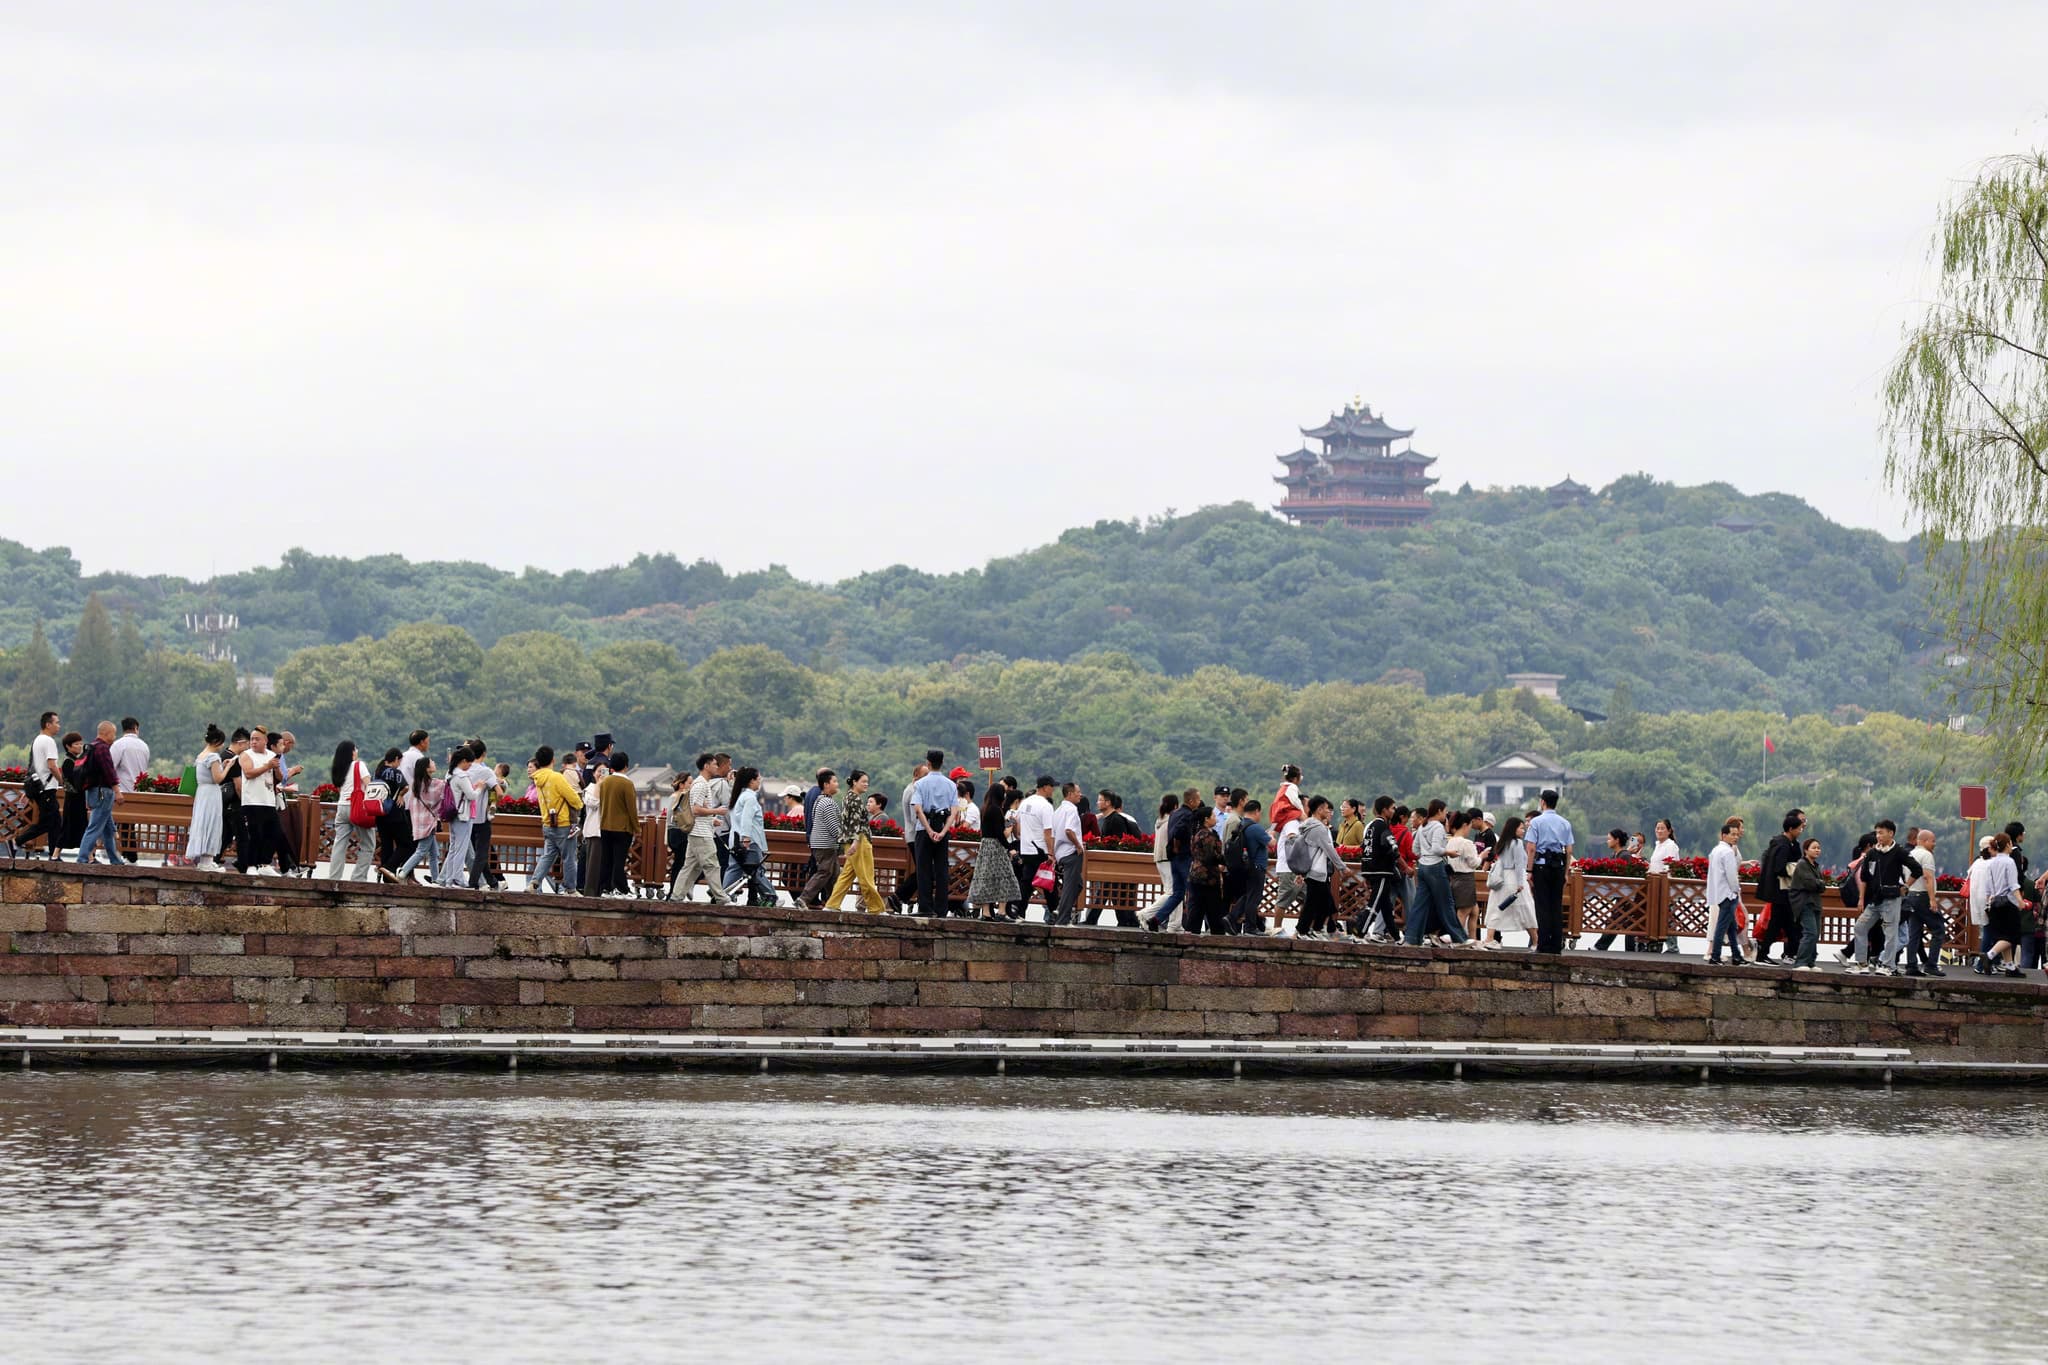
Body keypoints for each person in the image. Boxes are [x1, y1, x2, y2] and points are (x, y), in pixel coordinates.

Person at [1846, 820, 1913, 976]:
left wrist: (1906, 886)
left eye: (1881, 832)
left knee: (1890, 932)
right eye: (1877, 833)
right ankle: (1862, 963)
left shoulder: (1899, 852)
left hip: (1892, 897)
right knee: (1860, 927)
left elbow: (1916, 869)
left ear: (1891, 833)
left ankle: (1888, 965)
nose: (1878, 836)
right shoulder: (1872, 853)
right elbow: (1864, 877)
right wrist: (1861, 898)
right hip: (1875, 899)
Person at [1291, 796, 1363, 940]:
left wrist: (1301, 873)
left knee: (1327, 904)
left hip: (1315, 872)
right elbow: (1329, 850)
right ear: (1318, 810)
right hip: (1316, 871)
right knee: (1313, 903)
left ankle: (1316, 930)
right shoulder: (1319, 828)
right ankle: (1301, 931)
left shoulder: (1308, 825)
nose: (1328, 810)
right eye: (1325, 808)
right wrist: (1342, 867)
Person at [670, 752, 731, 905]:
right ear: (706, 766)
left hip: (700, 831)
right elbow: (695, 810)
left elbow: (698, 810)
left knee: (691, 867)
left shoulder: (702, 784)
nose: (717, 767)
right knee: (712, 865)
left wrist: (712, 819)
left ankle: (676, 896)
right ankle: (721, 898)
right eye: (715, 764)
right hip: (700, 833)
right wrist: (716, 812)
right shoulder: (701, 785)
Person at [825, 775, 891, 914]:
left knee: (847, 876)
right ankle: (876, 908)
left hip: (852, 840)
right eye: (863, 782)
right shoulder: (855, 799)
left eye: (867, 781)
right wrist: (855, 841)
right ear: (855, 782)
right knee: (866, 875)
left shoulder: (848, 797)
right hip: (859, 840)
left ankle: (832, 904)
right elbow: (855, 822)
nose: (866, 784)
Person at [1404, 800, 1467, 945]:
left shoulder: (1423, 826)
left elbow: (1415, 850)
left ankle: (1411, 938)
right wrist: (1449, 853)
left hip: (1423, 867)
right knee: (1447, 903)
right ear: (1439, 811)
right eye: (1445, 812)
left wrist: (1424, 856)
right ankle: (1460, 938)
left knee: (1420, 904)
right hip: (1435, 867)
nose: (1446, 815)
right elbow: (1437, 849)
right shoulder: (1438, 827)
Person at [1525, 789, 1575, 954]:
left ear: (1543, 802)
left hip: (1541, 865)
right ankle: (1556, 945)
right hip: (1558, 866)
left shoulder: (1537, 822)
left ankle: (1543, 944)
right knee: (1556, 906)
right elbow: (1568, 850)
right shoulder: (1565, 823)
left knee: (1542, 905)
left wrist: (1529, 870)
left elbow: (1531, 848)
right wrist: (1566, 873)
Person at [528, 745, 584, 893]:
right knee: (569, 858)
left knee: (547, 855)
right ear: (553, 760)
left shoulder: (537, 778)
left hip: (547, 823)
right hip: (563, 823)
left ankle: (534, 882)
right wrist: (580, 804)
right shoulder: (556, 777)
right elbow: (573, 797)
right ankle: (571, 889)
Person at [1754, 810, 1807, 965]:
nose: (1801, 830)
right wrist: (1793, 870)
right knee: (1783, 924)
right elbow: (1779, 868)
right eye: (1799, 828)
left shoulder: (1783, 843)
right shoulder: (1783, 846)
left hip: (1781, 893)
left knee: (1785, 924)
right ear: (1791, 829)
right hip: (1781, 892)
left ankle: (1771, 952)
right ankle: (1765, 953)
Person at [323, 739, 379, 881]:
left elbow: (341, 789)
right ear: (352, 752)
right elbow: (370, 786)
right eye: (355, 749)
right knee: (368, 844)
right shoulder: (359, 765)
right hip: (358, 808)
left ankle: (334, 878)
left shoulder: (339, 769)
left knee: (339, 844)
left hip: (342, 807)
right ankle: (358, 878)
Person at [73, 721, 126, 866]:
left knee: (108, 829)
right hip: (104, 792)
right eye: (113, 734)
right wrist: (117, 792)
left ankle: (115, 860)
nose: (114, 737)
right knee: (95, 827)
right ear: (106, 733)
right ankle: (82, 858)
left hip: (92, 791)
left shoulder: (90, 747)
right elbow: (109, 771)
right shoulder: (102, 748)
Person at [1349, 796, 1401, 942]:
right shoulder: (1383, 827)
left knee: (1386, 906)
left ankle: (1396, 937)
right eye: (1392, 808)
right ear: (1384, 810)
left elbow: (1364, 849)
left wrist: (1366, 872)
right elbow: (1393, 848)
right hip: (1382, 871)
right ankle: (1359, 932)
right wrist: (1401, 865)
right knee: (1374, 904)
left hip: (1369, 869)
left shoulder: (1370, 826)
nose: (1394, 811)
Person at [1972, 833, 2024, 976]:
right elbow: (2013, 885)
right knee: (2013, 936)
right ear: (2008, 845)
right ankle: (1989, 955)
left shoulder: (1991, 862)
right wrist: (2020, 901)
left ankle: (2010, 967)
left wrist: (1989, 900)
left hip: (1994, 902)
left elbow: (1988, 887)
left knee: (2003, 935)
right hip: (2007, 903)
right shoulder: (2009, 862)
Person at [235, 726, 285, 876]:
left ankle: (264, 863)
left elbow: (280, 778)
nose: (253, 742)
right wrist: (267, 766)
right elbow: (249, 773)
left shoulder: (271, 754)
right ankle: (251, 865)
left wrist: (275, 769)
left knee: (275, 833)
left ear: (265, 741)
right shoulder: (245, 755)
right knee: (254, 834)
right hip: (252, 801)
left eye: (257, 739)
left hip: (268, 800)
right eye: (252, 739)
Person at [1482, 816, 1536, 948]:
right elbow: (1518, 865)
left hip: (1501, 879)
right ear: (1514, 829)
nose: (1524, 830)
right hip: (1513, 878)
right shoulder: (1517, 843)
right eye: (1521, 828)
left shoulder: (1502, 843)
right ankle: (1536, 941)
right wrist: (1520, 884)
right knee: (1525, 910)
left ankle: (1489, 938)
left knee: (1496, 908)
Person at [724, 767, 775, 907]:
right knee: (756, 869)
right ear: (752, 781)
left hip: (735, 838)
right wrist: (746, 838)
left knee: (734, 868)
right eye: (758, 779)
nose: (759, 782)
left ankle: (722, 895)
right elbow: (747, 819)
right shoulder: (750, 798)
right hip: (749, 840)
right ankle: (771, 895)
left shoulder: (739, 796)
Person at [1901, 828, 1946, 978]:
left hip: (1911, 895)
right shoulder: (1926, 855)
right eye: (1933, 841)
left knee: (1914, 932)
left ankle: (1911, 964)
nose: (1934, 844)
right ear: (1925, 841)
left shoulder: (1911, 854)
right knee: (1938, 929)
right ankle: (1931, 964)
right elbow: (1927, 877)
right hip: (1923, 896)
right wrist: (1932, 899)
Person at [184, 725, 229, 871]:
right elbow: (218, 778)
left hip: (202, 792)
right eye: (221, 742)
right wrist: (228, 767)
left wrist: (222, 765)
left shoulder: (201, 755)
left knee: (203, 823)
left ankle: (204, 861)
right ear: (216, 741)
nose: (222, 746)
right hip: (211, 793)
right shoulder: (213, 756)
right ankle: (207, 862)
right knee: (211, 823)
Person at [1014, 776, 1059, 921]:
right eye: (1052, 786)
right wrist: (1051, 852)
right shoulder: (1046, 806)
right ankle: (1055, 912)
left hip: (1026, 849)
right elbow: (1048, 832)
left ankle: (1020, 912)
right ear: (1045, 787)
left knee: (1027, 881)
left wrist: (1022, 838)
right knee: (1048, 882)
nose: (1053, 790)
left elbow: (1016, 824)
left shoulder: (1025, 802)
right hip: (1040, 850)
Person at [1706, 820, 1750, 966]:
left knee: (1732, 927)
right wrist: (1736, 890)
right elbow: (1731, 876)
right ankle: (1715, 956)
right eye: (1732, 834)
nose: (1735, 837)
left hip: (1719, 892)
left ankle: (1736, 956)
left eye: (1737, 835)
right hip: (1728, 894)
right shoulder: (1728, 852)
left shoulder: (1715, 851)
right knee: (1722, 927)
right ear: (1724, 835)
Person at [396, 756, 446, 883]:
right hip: (428, 822)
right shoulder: (432, 783)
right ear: (427, 768)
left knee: (434, 854)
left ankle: (436, 880)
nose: (434, 763)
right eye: (431, 762)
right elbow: (445, 788)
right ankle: (403, 871)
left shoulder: (415, 783)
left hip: (419, 821)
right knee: (422, 850)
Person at [437, 746, 481, 888]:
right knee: (460, 849)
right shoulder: (462, 776)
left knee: (453, 848)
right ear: (463, 761)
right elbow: (471, 795)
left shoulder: (449, 774)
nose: (469, 766)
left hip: (453, 815)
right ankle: (458, 879)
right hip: (463, 816)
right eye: (469, 763)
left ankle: (449, 880)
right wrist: (479, 787)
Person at [1183, 802, 1230, 934]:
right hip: (1207, 876)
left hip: (1197, 874)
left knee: (1198, 905)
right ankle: (1216, 932)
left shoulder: (1200, 833)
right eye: (1213, 816)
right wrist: (1226, 860)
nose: (1215, 818)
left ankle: (1192, 931)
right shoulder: (1206, 835)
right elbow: (1211, 856)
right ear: (1206, 819)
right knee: (1212, 905)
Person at [800, 768, 844, 908]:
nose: (837, 784)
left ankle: (832, 904)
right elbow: (834, 828)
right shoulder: (828, 803)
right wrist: (847, 839)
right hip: (826, 844)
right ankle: (803, 899)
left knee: (834, 875)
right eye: (835, 781)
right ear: (826, 784)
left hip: (821, 843)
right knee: (824, 872)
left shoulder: (820, 800)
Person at [1226, 799, 1270, 935]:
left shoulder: (1241, 825)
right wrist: (1271, 834)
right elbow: (1271, 843)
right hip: (1257, 866)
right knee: (1254, 898)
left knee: (1248, 895)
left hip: (1246, 866)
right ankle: (1250, 927)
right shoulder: (1256, 828)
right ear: (1256, 811)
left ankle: (1231, 917)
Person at [1048, 781, 1088, 926]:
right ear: (1070, 794)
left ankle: (1060, 909)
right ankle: (1063, 920)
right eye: (1078, 792)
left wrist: (1052, 854)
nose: (1080, 795)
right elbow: (1069, 830)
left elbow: (1053, 834)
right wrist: (1078, 845)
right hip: (1071, 852)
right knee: (1070, 886)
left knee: (1077, 885)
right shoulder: (1071, 810)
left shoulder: (1058, 810)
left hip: (1060, 853)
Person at [27, 710, 64, 860]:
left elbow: (34, 766)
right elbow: (52, 765)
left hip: (40, 787)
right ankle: (19, 840)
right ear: (48, 725)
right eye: (57, 722)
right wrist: (62, 781)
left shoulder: (37, 740)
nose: (59, 726)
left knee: (54, 822)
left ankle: (53, 855)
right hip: (47, 788)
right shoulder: (49, 741)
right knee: (48, 822)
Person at [1588, 829, 1633, 951]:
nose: (1607, 841)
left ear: (1617, 840)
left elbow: (1628, 875)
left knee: (1616, 920)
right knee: (1619, 921)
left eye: (1609, 839)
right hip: (1620, 894)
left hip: (1628, 895)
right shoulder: (1615, 855)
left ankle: (1601, 946)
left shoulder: (1625, 855)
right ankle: (1629, 949)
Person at [1787, 837, 1826, 970]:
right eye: (1814, 848)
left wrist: (1818, 883)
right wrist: (1818, 883)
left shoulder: (1815, 866)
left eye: (1818, 848)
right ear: (1805, 850)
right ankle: (1800, 962)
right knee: (1810, 932)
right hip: (1804, 902)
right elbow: (1810, 883)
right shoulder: (1802, 864)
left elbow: (1822, 886)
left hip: (1815, 903)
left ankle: (1810, 962)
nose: (1817, 850)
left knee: (1816, 934)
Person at [1446, 810, 1484, 941]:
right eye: (1469, 825)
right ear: (1464, 825)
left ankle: (1472, 940)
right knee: (1463, 913)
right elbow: (1474, 863)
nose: (1470, 829)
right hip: (1465, 880)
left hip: (1454, 878)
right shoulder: (1466, 843)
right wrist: (1482, 856)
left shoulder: (1450, 841)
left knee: (1474, 912)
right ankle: (1457, 940)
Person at [1647, 818, 1683, 953]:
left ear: (1669, 831)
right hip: (1655, 886)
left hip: (1666, 887)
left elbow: (1671, 866)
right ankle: (1656, 944)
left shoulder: (1671, 845)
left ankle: (1673, 947)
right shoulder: (1658, 845)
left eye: (1662, 828)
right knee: (1657, 916)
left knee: (1668, 917)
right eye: (1657, 828)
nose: (1659, 831)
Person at [56, 731, 89, 857]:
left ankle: (89, 856)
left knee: (82, 827)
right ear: (68, 746)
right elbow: (74, 782)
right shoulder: (69, 762)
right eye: (76, 744)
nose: (80, 746)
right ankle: (55, 854)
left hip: (78, 798)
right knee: (68, 828)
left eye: (81, 743)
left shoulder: (76, 760)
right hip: (73, 799)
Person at [111, 716, 150, 791]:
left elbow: (110, 768)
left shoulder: (118, 745)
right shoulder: (144, 746)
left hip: (123, 792)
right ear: (136, 728)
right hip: (141, 792)